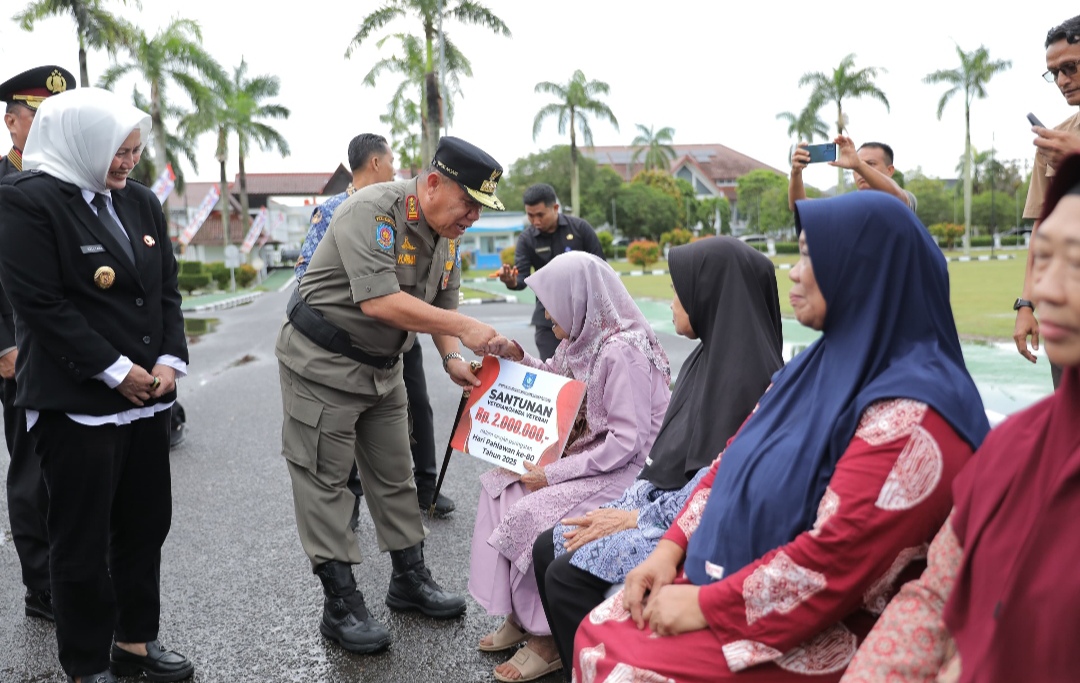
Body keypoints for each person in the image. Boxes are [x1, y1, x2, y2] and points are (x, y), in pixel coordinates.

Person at [571, 192, 991, 683]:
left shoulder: (916, 413)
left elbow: (839, 557)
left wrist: (708, 604)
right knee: (601, 627)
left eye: (811, 254)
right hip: (740, 578)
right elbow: (727, 466)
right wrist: (667, 551)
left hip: (832, 617)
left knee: (629, 664)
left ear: (864, 270)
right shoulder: (812, 368)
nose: (792, 271)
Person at [841, 153, 1080, 683]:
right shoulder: (1014, 446)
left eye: (1078, 264)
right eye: (1043, 261)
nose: (1047, 293)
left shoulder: (927, 413)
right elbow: (934, 599)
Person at [275, 135, 502, 655]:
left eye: (480, 209)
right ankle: (341, 602)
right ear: (433, 183)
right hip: (322, 361)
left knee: (396, 475)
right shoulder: (373, 211)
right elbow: (379, 300)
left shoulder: (447, 235)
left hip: (383, 368)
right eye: (469, 203)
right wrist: (464, 327)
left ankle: (409, 579)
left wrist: (450, 357)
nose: (472, 217)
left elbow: (442, 299)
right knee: (326, 481)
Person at [0, 88, 192, 683]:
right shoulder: (26, 202)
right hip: (77, 403)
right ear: (82, 143)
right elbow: (41, 305)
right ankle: (86, 664)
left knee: (144, 526)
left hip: (145, 403)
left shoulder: (140, 204)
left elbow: (164, 293)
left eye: (135, 151)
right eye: (117, 151)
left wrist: (168, 360)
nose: (128, 163)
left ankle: (135, 641)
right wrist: (116, 371)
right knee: (79, 544)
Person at [532, 236, 785, 678]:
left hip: (692, 522)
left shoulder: (749, 378)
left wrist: (633, 519)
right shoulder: (708, 357)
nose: (671, 304)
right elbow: (667, 461)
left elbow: (718, 482)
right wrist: (627, 508)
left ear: (707, 295)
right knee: (546, 544)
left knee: (565, 575)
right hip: (661, 498)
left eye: (678, 291)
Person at [473, 252, 672, 682]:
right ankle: (520, 616)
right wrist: (514, 355)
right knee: (500, 485)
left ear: (577, 298)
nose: (546, 313)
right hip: (592, 458)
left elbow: (628, 442)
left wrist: (553, 474)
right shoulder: (581, 341)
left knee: (531, 510)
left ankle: (546, 639)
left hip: (625, 469)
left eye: (550, 301)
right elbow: (555, 385)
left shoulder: (623, 352)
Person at [294, 133, 455, 518]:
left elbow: (439, 278)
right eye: (392, 160)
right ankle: (348, 500)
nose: (397, 168)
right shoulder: (336, 209)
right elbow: (307, 273)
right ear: (377, 163)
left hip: (403, 332)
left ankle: (426, 486)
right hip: (348, 338)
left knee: (417, 407)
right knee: (341, 421)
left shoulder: (410, 211)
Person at [0, 62, 75, 623]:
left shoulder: (72, 181)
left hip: (73, 351)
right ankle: (41, 585)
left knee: (76, 467)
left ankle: (74, 571)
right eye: (39, 114)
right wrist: (3, 344)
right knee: (31, 471)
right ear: (13, 125)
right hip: (19, 354)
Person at [1013, 14, 1080, 389]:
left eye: (1069, 67)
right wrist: (1026, 304)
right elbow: (1043, 227)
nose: (1061, 81)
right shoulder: (1054, 142)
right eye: (1053, 72)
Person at [497, 183, 605, 360]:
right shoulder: (527, 239)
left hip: (586, 318)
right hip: (549, 321)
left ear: (555, 208)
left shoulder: (580, 229)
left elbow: (601, 269)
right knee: (553, 376)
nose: (535, 221)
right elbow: (521, 278)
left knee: (592, 374)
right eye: (530, 216)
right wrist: (510, 281)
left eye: (540, 215)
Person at [789, 137, 917, 211]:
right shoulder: (849, 204)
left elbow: (897, 196)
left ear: (889, 170)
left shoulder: (906, 199)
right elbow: (798, 205)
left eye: (870, 164)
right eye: (856, 165)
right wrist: (796, 172)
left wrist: (859, 165)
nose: (860, 172)